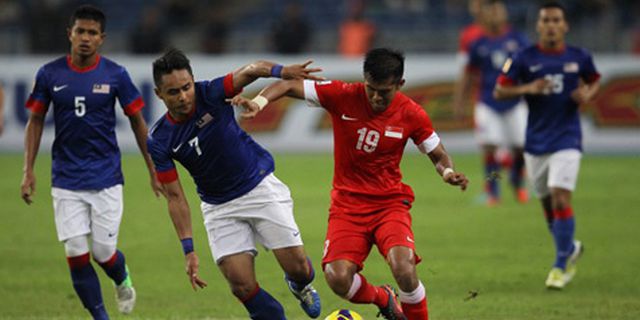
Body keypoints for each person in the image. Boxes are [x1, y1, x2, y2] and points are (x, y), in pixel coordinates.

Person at [232, 47, 469, 320]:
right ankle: (384, 298)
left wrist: (448, 172)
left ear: (400, 85)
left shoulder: (412, 114)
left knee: (403, 268)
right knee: (337, 278)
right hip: (347, 206)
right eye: (371, 89)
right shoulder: (343, 95)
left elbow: (438, 155)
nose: (376, 97)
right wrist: (259, 103)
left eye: (385, 91)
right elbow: (287, 85)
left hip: (389, 204)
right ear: (364, 80)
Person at [147, 48, 324, 320]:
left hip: (258, 187)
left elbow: (252, 69)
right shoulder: (159, 139)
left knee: (299, 268)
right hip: (219, 207)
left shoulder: (211, 93)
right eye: (173, 92)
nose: (183, 97)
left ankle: (299, 285)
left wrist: (282, 71)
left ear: (193, 82)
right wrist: (189, 250)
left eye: (186, 87)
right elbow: (175, 197)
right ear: (159, 94)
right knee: (241, 285)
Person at [20, 5, 162, 319]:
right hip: (66, 178)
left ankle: (122, 278)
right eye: (80, 31)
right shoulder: (49, 73)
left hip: (106, 177)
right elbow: (35, 120)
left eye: (92, 33)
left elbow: (138, 121)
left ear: (102, 39)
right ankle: (100, 316)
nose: (85, 38)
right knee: (74, 251)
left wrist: (153, 168)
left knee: (103, 253)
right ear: (69, 34)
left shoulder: (115, 74)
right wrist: (28, 170)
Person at [494, 1, 600, 289]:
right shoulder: (522, 58)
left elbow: (594, 80)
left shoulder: (580, 56)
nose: (551, 25)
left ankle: (558, 266)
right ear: (538, 25)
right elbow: (500, 90)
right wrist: (528, 88)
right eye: (546, 20)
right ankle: (570, 248)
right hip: (535, 142)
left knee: (560, 197)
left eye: (556, 20)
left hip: (568, 138)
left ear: (565, 25)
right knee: (547, 204)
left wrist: (587, 93)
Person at [452, 0, 530, 206]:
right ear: (484, 16)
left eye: (499, 10)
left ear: (505, 14)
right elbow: (468, 74)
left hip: (515, 101)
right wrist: (459, 101)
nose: (495, 14)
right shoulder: (478, 44)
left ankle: (517, 180)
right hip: (487, 102)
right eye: (491, 11)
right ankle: (492, 189)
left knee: (520, 147)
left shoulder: (518, 40)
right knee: (490, 148)